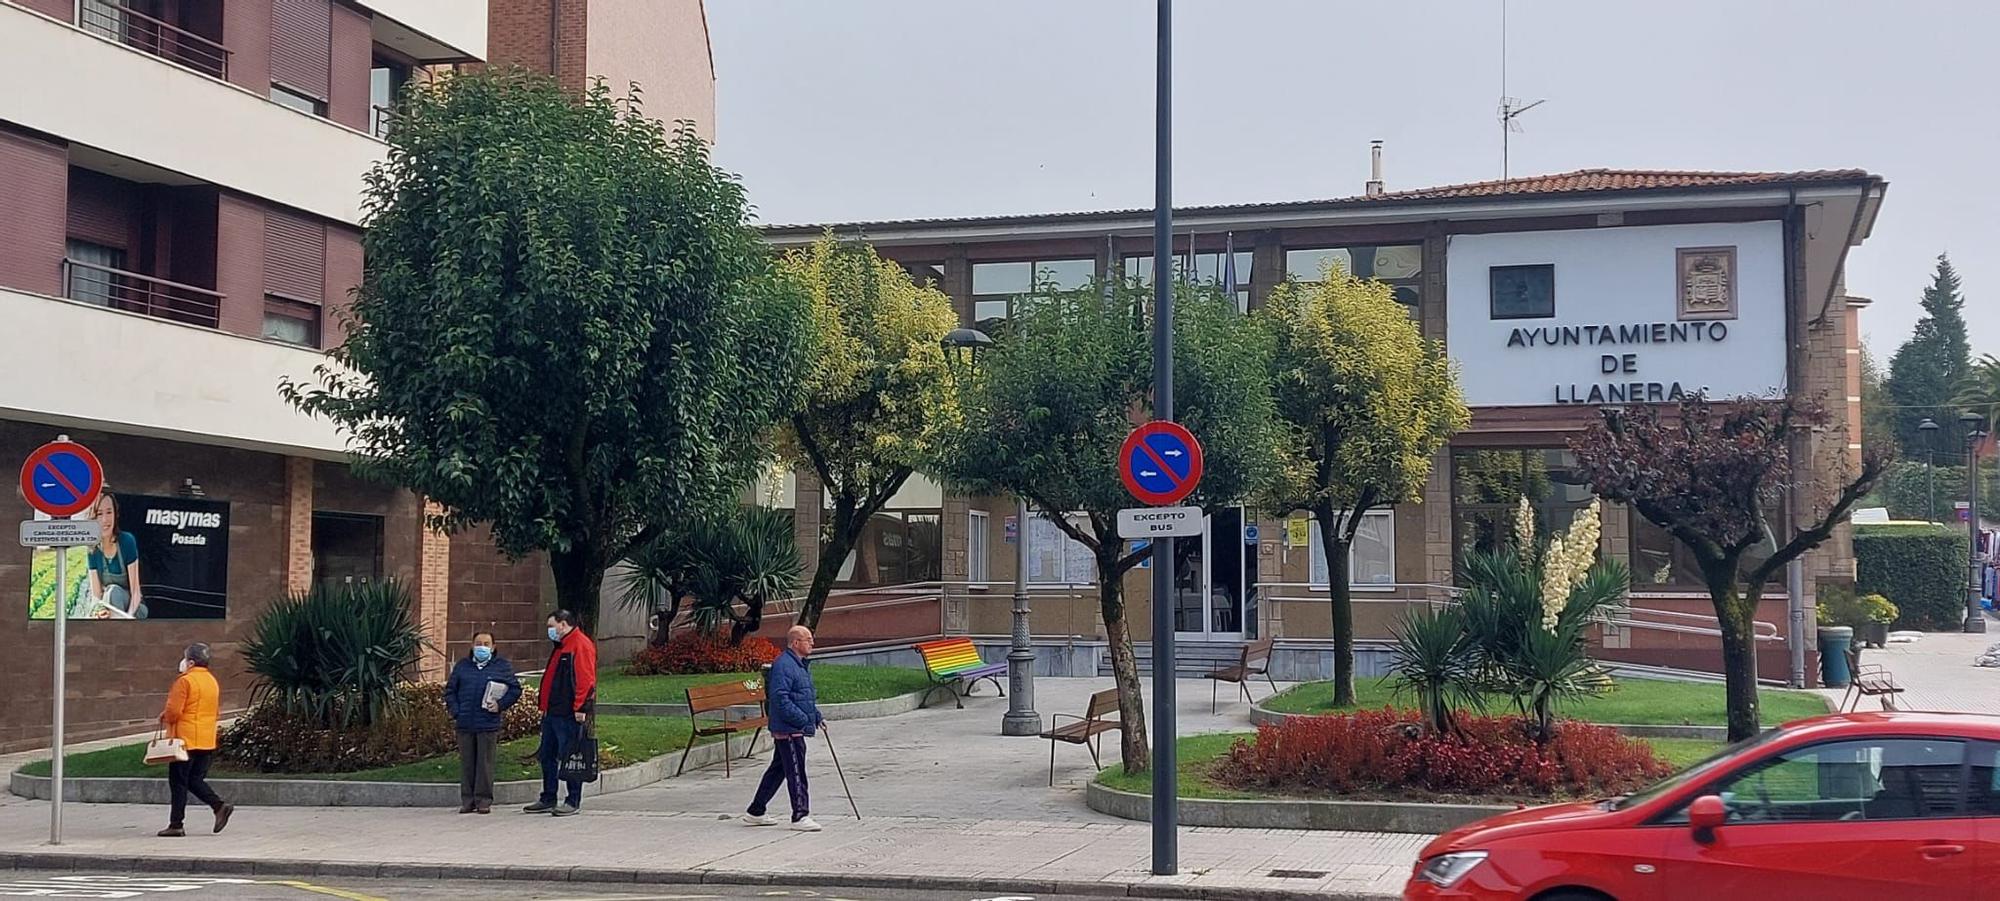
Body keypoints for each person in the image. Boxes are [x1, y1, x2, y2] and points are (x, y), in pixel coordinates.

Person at [743, 625, 824, 832]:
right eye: (808, 639)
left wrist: (815, 716)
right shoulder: (785, 665)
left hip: (794, 725)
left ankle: (756, 811)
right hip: (789, 729)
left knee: (778, 769)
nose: (812, 643)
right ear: (796, 642)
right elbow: (780, 698)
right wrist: (802, 719)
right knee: (796, 771)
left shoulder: (798, 665)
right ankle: (800, 815)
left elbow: (803, 695)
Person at [525, 610, 596, 817]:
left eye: (551, 625)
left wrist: (581, 708)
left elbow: (586, 679)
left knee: (571, 755)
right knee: (547, 755)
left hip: (567, 712)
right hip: (553, 711)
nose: (549, 630)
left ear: (563, 624)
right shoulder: (562, 646)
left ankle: (573, 799)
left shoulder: (579, 645)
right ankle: (548, 796)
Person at [444, 630, 521, 814]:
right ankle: (467, 800)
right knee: (467, 763)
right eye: (478, 643)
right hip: (465, 722)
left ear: (493, 647)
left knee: (484, 764)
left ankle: (483, 800)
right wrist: (456, 711)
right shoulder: (463, 666)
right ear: (472, 645)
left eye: (486, 644)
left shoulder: (501, 666)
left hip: (487, 722)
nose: (482, 647)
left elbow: (515, 689)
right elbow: (450, 691)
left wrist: (500, 705)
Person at [159, 643, 231, 837]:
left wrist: (166, 715)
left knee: (179, 782)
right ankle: (218, 806)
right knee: (194, 779)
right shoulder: (211, 681)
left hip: (185, 739)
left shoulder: (184, 681)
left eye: (184, 658)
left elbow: (174, 712)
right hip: (206, 738)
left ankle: (176, 824)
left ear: (190, 662)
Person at [86, 493, 145, 619]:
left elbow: (136, 593)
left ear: (115, 514)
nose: (105, 520)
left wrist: (127, 619)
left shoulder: (127, 541)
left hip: (133, 608)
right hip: (109, 606)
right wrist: (98, 611)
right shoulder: (92, 550)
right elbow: (96, 595)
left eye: (109, 512)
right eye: (99, 514)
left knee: (114, 592)